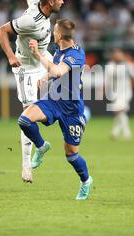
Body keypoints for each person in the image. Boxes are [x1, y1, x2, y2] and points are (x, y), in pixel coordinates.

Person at [0, 0, 64, 183]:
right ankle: (27, 164)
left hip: (42, 57)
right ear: (51, 2)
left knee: (69, 74)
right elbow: (1, 31)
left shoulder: (38, 4)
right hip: (25, 66)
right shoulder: (29, 21)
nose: (63, 1)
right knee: (27, 117)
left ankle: (54, 121)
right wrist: (10, 56)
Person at [18, 19, 93, 200]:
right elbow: (55, 71)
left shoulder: (76, 55)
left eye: (54, 31)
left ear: (58, 35)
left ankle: (85, 181)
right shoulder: (61, 50)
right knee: (24, 120)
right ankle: (42, 146)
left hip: (71, 111)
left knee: (71, 156)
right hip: (53, 100)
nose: (53, 33)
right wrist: (45, 77)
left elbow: (59, 71)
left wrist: (37, 54)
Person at [105, 48, 134, 140]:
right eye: (115, 54)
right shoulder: (110, 66)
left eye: (119, 54)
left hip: (126, 92)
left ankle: (127, 134)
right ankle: (115, 132)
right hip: (115, 93)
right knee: (120, 113)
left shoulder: (128, 65)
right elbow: (107, 80)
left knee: (119, 110)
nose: (117, 56)